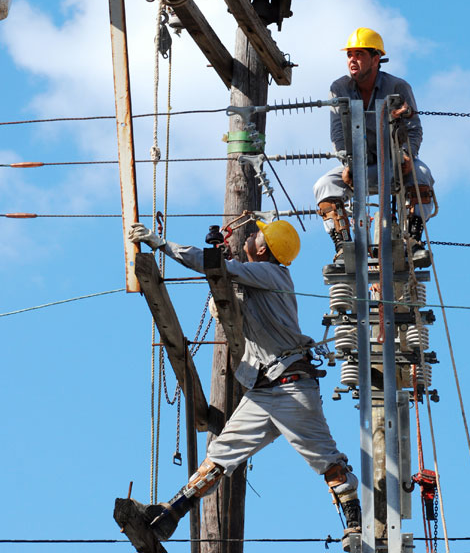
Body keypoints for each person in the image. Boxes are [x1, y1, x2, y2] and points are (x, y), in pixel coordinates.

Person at [128, 218, 361, 544]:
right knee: (221, 453)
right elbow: (221, 309)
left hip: (292, 387)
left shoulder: (270, 273)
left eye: (254, 234)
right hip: (266, 390)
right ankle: (171, 514)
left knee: (326, 459)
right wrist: (223, 278)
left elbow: (207, 264)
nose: (249, 235)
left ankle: (356, 527)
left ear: (263, 249)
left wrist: (160, 243)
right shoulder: (255, 279)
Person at [314, 27, 435, 267]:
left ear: (376, 59)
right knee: (324, 185)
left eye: (359, 54)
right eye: (350, 55)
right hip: (358, 166)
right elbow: (338, 132)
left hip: (395, 164)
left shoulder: (398, 87)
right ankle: (344, 246)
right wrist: (347, 164)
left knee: (422, 175)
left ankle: (413, 241)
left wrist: (408, 157)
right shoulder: (339, 88)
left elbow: (414, 128)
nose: (352, 60)